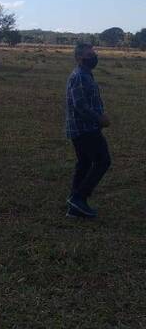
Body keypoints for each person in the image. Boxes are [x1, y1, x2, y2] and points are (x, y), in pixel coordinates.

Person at [65, 42, 111, 218]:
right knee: (103, 161)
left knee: (84, 164)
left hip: (85, 128)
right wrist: (99, 119)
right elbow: (80, 106)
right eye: (88, 55)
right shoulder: (79, 76)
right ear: (78, 58)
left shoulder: (86, 74)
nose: (93, 57)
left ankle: (74, 205)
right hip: (84, 129)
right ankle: (78, 198)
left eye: (93, 53)